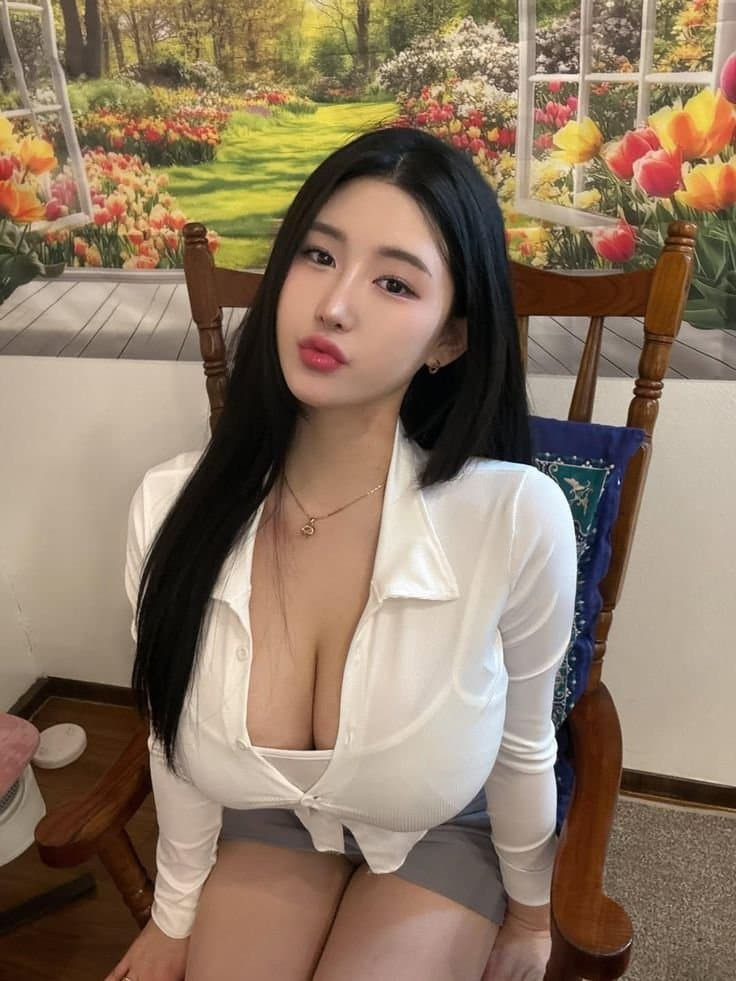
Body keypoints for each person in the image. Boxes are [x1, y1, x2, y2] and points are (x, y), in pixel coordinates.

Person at [108, 126, 577, 981]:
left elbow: (523, 745)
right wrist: (174, 916)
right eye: (318, 256)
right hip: (270, 815)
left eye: (394, 281)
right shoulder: (169, 508)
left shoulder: (514, 515)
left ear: (449, 339)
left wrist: (532, 915)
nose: (333, 305)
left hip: (440, 824)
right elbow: (169, 736)